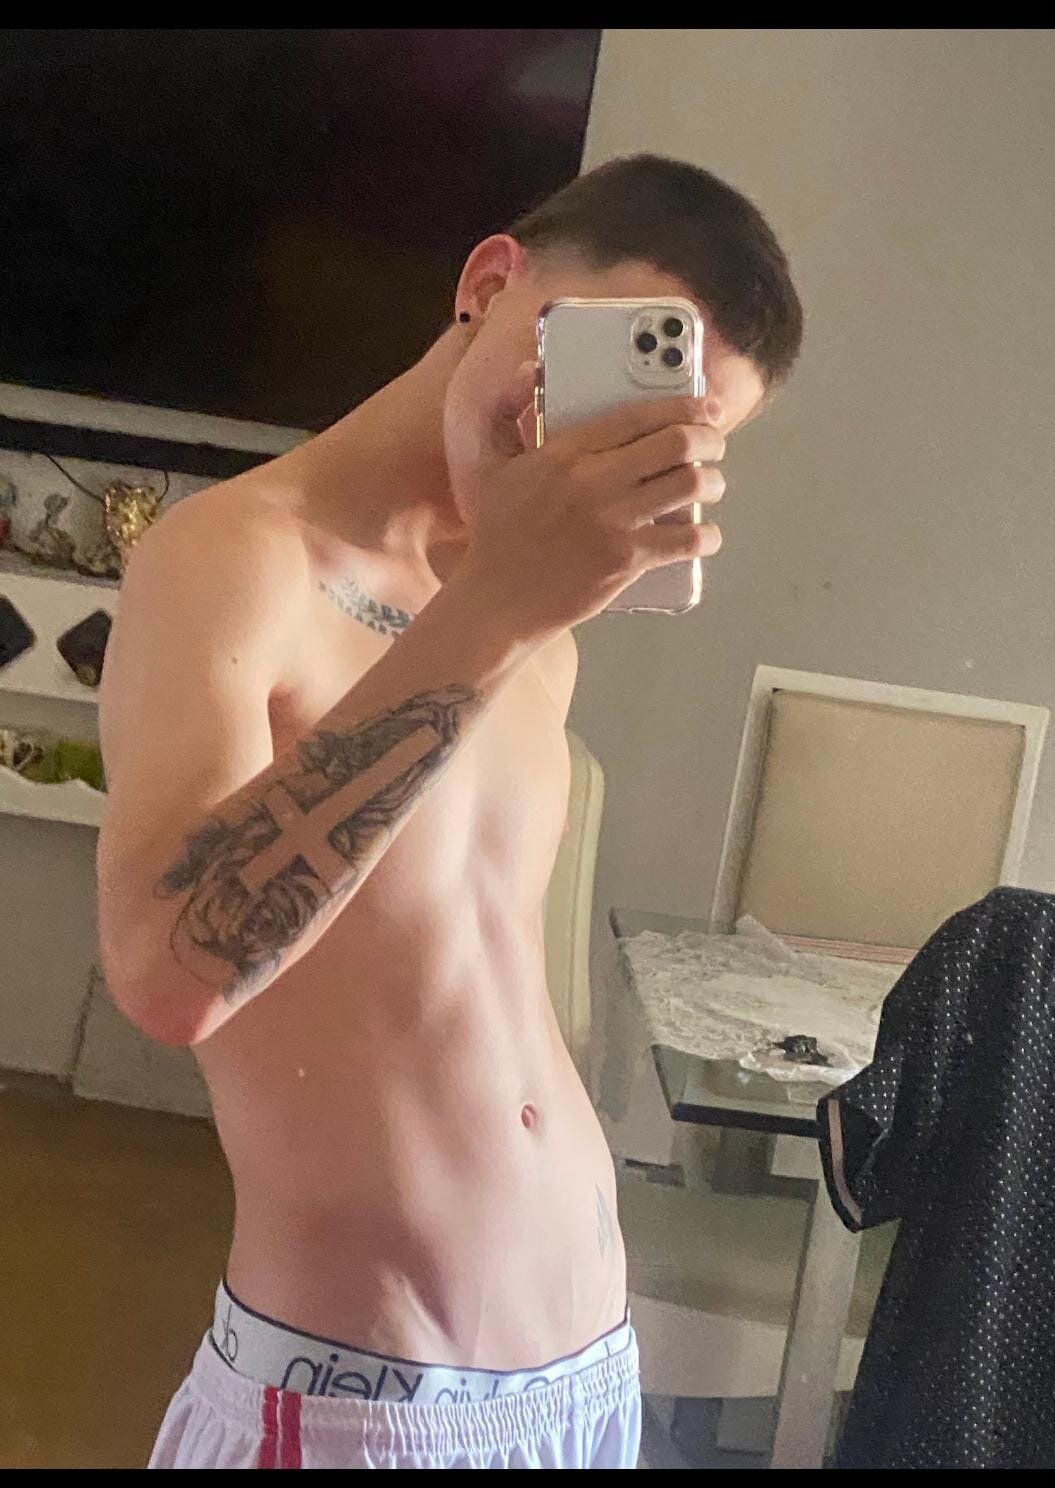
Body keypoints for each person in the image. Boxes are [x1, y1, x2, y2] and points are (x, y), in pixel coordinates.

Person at [97, 154, 802, 1470]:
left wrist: (511, 607)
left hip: (587, 1379)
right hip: (360, 1401)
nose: (611, 442)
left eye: (675, 433)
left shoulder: (540, 629)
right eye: (618, 375)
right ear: (489, 285)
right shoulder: (232, 559)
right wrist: (499, 611)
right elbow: (165, 971)